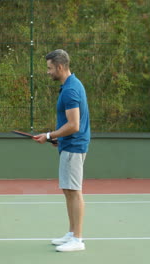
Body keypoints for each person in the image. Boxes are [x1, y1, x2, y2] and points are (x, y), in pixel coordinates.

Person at [33, 49, 90, 252]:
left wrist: (49, 136)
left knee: (74, 191)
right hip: (69, 145)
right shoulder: (69, 86)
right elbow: (71, 125)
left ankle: (78, 240)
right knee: (68, 190)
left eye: (49, 68)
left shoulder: (70, 90)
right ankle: (72, 233)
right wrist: (58, 138)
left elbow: (74, 125)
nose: (47, 72)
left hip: (74, 146)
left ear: (59, 67)